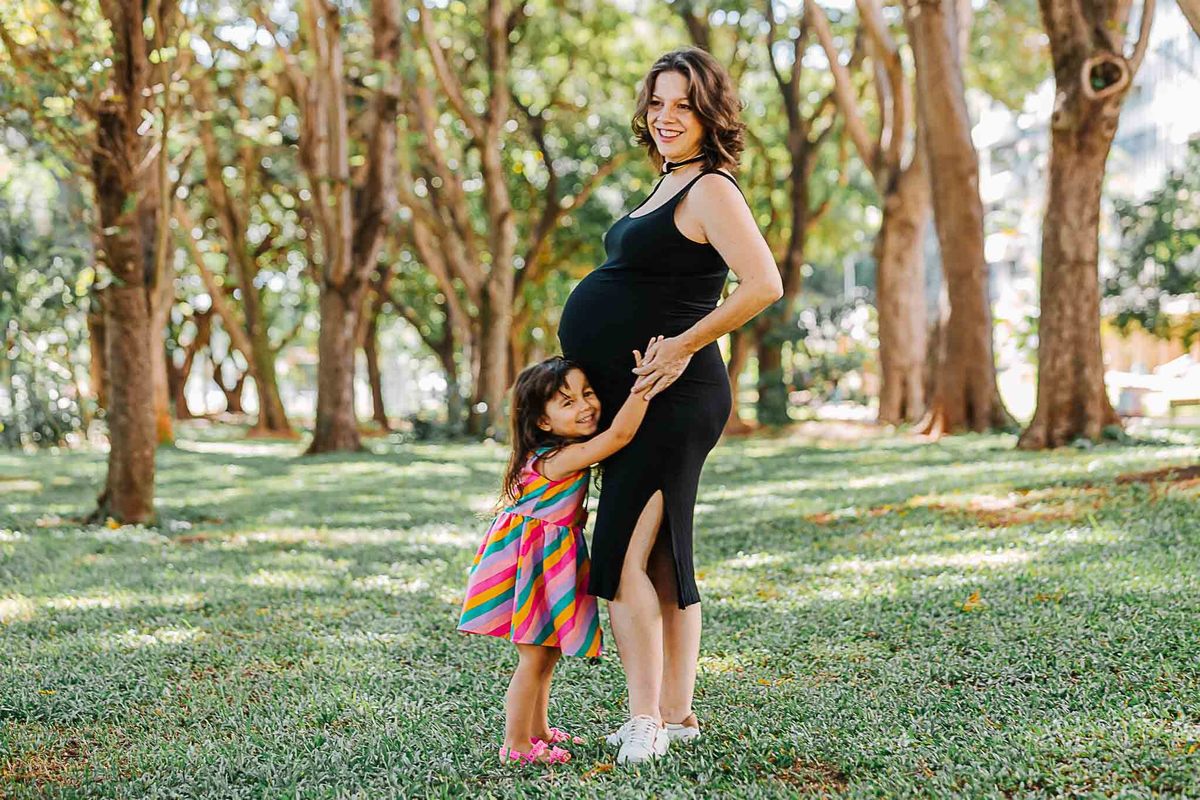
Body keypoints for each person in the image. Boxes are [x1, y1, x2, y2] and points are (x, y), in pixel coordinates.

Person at [557, 47, 783, 765]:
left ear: (710, 113)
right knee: (660, 560)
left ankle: (645, 719)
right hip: (643, 396)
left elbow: (763, 284)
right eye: (657, 102)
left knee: (621, 555)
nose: (665, 116)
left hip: (672, 396)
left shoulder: (712, 188)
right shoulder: (669, 181)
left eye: (683, 104)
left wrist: (684, 344)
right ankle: (676, 715)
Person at [456, 346, 661, 767]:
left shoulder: (555, 451)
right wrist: (644, 385)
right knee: (534, 656)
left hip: (546, 562)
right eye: (568, 402)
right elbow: (618, 437)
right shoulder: (558, 458)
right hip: (532, 566)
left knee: (546, 651)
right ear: (543, 421)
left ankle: (540, 731)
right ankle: (516, 744)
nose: (585, 406)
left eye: (587, 394)